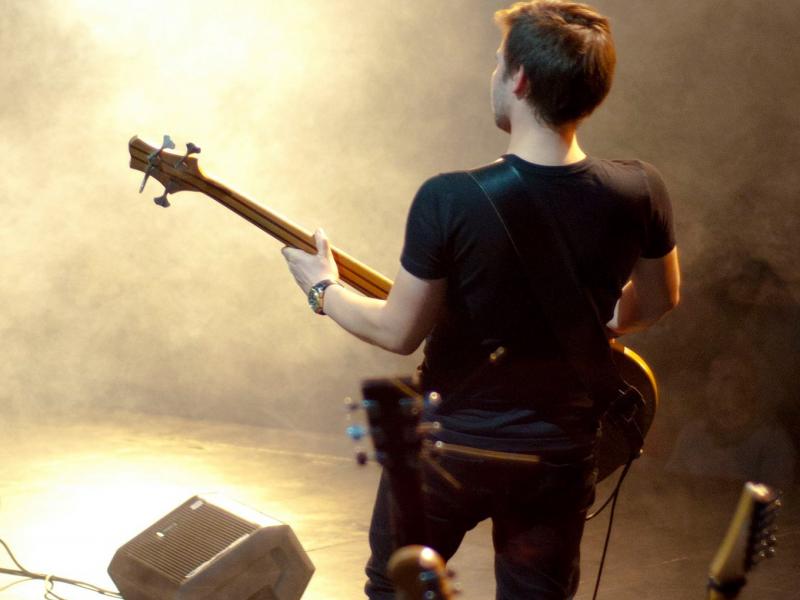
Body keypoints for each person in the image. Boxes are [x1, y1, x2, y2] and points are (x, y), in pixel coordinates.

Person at [282, 1, 680, 598]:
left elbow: (397, 332)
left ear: (519, 79)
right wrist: (588, 323)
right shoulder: (640, 189)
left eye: (498, 63)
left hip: (448, 449)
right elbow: (659, 299)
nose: (492, 74)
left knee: (397, 589)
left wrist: (322, 288)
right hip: (556, 454)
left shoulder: (449, 198)